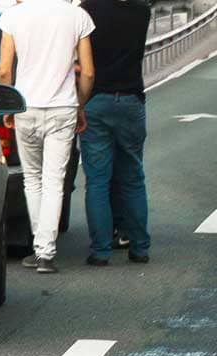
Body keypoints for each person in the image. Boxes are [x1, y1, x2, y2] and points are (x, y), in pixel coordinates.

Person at [0, 0, 96, 274]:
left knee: (32, 179)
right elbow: (87, 72)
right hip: (62, 108)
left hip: (26, 107)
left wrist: (7, 105)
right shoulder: (78, 16)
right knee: (54, 180)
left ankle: (41, 249)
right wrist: (80, 105)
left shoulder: (14, 16)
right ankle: (45, 253)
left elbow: (4, 70)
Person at [79, 0, 152, 265]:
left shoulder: (87, 10)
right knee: (133, 177)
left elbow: (83, 61)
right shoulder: (142, 11)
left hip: (96, 100)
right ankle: (140, 247)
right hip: (132, 100)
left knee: (97, 181)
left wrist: (79, 103)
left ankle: (100, 251)